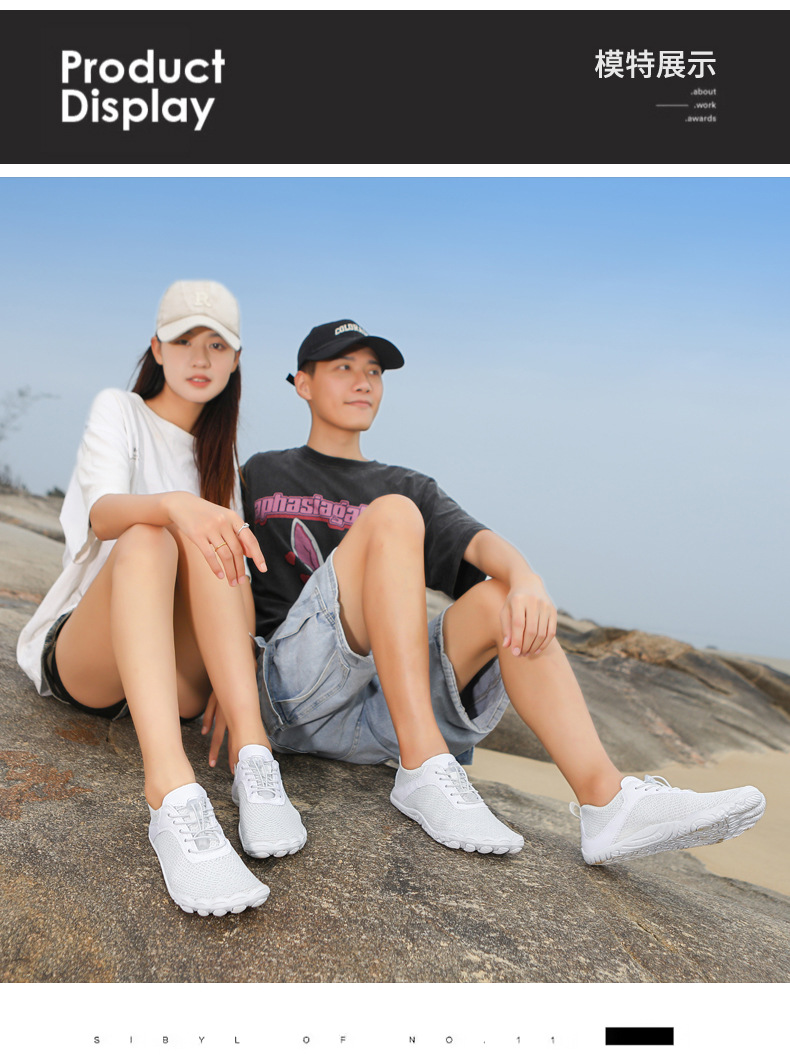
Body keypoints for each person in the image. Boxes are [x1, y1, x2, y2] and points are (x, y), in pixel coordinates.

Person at [222, 318, 765, 865]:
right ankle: (424, 764)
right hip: (295, 695)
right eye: (344, 367)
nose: (364, 382)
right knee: (393, 516)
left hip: (381, 712)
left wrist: (527, 580)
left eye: (374, 372)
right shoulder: (262, 473)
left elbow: (480, 544)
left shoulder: (408, 485)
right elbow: (223, 579)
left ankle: (607, 803)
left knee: (501, 597)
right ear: (303, 383)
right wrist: (230, 689)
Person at [17, 280, 306, 917]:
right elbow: (102, 516)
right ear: (156, 348)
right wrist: (175, 506)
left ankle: (253, 757)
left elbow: (232, 576)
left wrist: (238, 677)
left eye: (217, 346)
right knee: (154, 533)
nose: (200, 359)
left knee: (214, 532)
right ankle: (171, 792)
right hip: (93, 655)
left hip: (173, 677)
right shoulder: (119, 410)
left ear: (236, 360)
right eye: (183, 342)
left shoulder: (219, 456)